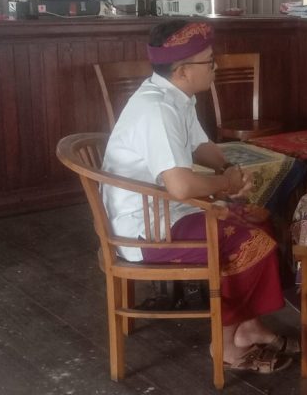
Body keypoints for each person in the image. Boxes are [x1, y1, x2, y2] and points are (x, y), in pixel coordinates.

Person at [101, 20, 296, 373]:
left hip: (166, 210)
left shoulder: (175, 96)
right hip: (145, 230)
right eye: (209, 61)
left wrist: (229, 168)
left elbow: (200, 146)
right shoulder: (157, 109)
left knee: (260, 221)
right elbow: (181, 186)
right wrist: (225, 184)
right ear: (182, 70)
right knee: (247, 242)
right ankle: (226, 345)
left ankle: (248, 327)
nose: (215, 66)